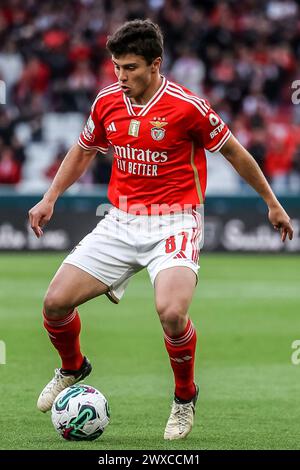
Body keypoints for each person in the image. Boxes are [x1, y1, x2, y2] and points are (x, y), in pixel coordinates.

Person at [28, 19, 293, 441]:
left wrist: (273, 204)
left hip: (176, 219)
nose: (120, 76)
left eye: (130, 68)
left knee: (171, 313)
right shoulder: (106, 101)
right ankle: (74, 367)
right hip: (120, 220)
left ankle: (184, 398)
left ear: (156, 64)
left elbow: (235, 153)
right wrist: (50, 197)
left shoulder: (188, 106)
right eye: (116, 67)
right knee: (54, 304)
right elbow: (83, 150)